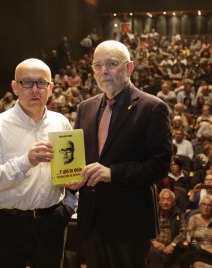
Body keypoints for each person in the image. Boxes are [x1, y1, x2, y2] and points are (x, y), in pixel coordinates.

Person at [70, 40, 172, 268]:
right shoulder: (84, 108)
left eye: (112, 63)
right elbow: (81, 158)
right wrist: (71, 176)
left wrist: (112, 173)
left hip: (129, 223)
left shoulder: (153, 107)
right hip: (91, 220)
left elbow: (159, 166)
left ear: (129, 68)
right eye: (97, 65)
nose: (103, 71)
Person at [0, 58, 77, 268]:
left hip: (52, 221)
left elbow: (69, 172)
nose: (34, 89)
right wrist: (26, 161)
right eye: (27, 83)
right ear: (15, 87)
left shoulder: (61, 122)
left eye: (41, 83)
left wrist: (70, 196)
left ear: (50, 88)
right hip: (8, 224)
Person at [177, 196, 212, 267]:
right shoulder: (194, 218)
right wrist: (202, 249)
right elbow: (189, 237)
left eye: (209, 205)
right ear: (199, 206)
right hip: (199, 251)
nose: (206, 207)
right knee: (198, 264)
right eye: (203, 204)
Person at [146, 189, 186, 268]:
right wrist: (154, 242)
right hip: (153, 246)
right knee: (154, 254)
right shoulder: (152, 212)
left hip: (170, 248)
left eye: (169, 199)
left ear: (174, 202)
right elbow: (145, 229)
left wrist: (173, 244)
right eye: (163, 199)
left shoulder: (178, 213)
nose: (166, 202)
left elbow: (183, 232)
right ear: (159, 201)